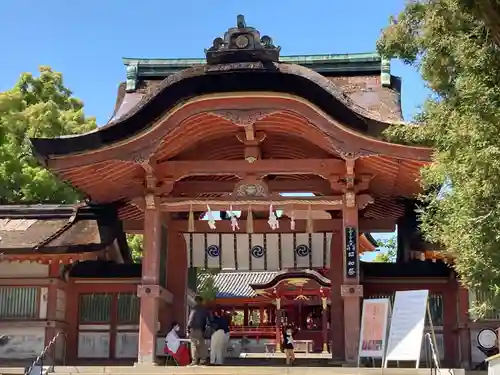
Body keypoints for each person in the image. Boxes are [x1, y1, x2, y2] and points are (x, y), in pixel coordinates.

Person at [187, 295, 210, 366]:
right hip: (201, 329)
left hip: (193, 329)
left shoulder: (194, 309)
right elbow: (207, 320)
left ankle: (194, 361)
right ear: (201, 301)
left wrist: (188, 328)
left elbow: (191, 319)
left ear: (196, 301)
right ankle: (203, 360)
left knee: (193, 344)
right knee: (201, 344)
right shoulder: (204, 309)